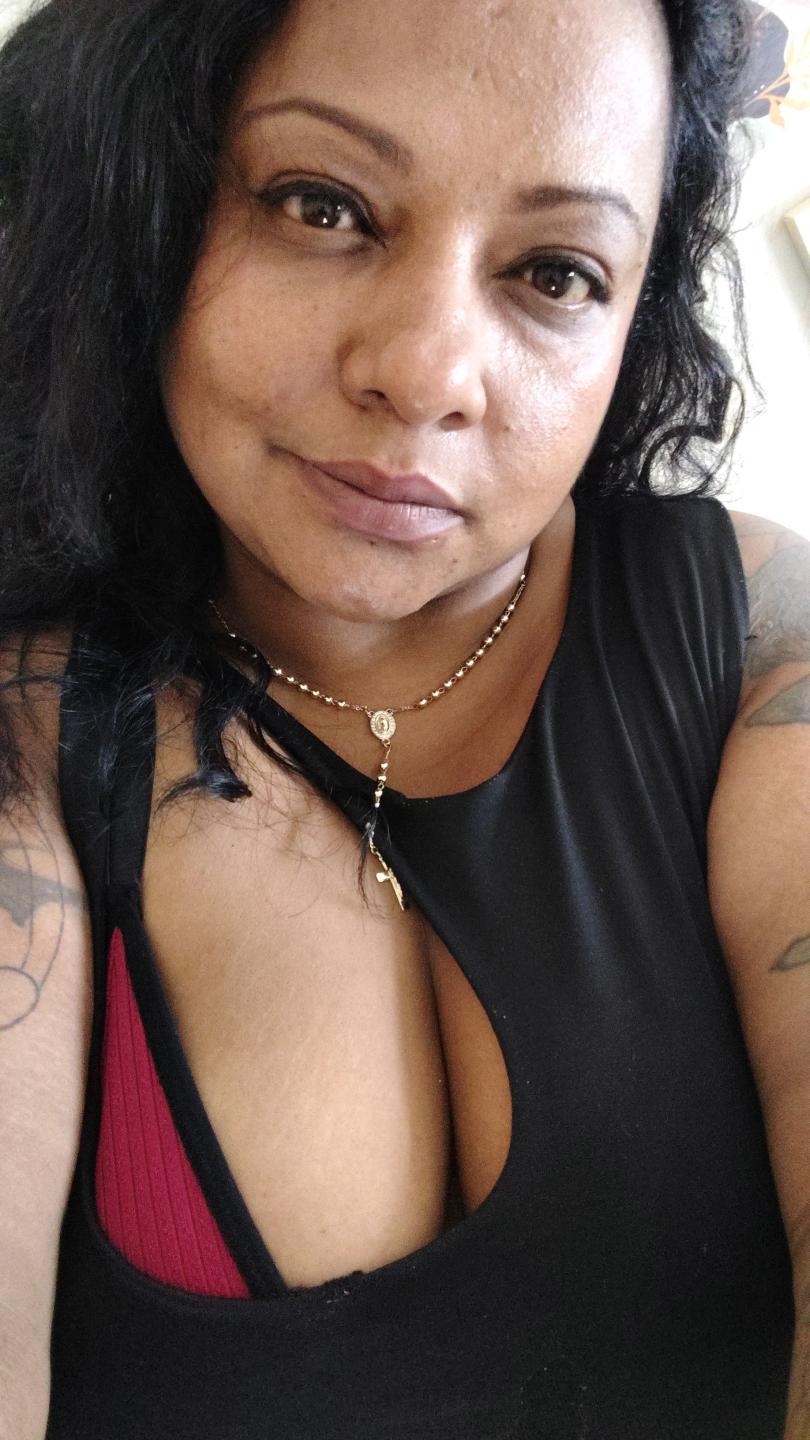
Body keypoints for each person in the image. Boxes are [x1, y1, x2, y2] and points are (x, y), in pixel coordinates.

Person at [0, 0, 808, 1435]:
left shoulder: (753, 644)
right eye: (322, 206)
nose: (427, 374)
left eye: (555, 272)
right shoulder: (30, 732)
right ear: (145, 196)